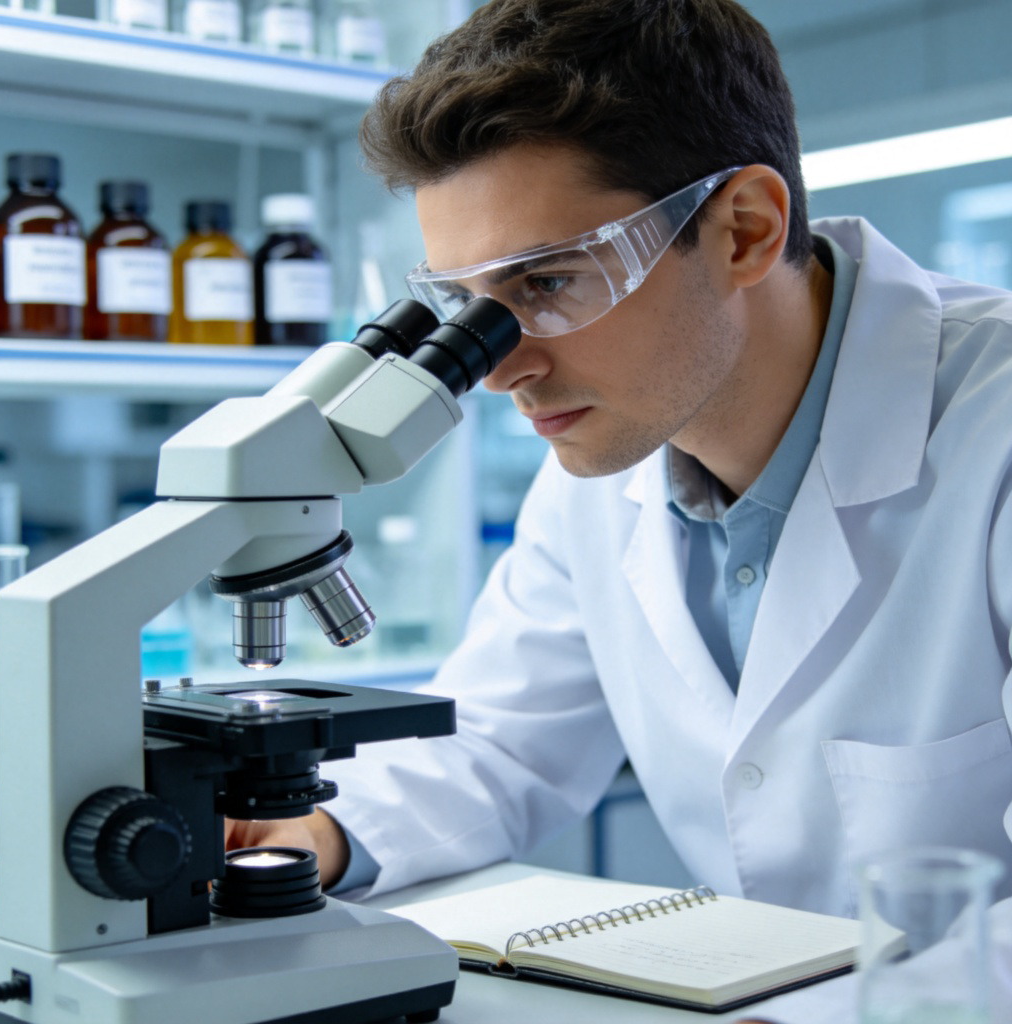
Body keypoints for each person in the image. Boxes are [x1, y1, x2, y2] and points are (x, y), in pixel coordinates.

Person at [227, 0, 1012, 1016]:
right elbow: (501, 743)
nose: (501, 365)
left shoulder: (991, 432)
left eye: (548, 279)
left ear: (742, 230)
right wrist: (313, 835)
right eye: (464, 308)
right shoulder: (605, 467)